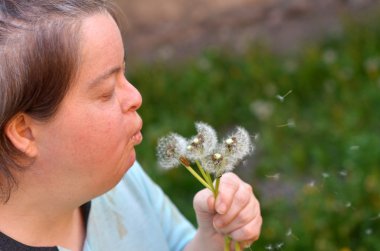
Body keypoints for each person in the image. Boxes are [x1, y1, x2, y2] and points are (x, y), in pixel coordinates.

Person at [0, 0, 262, 250]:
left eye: (124, 73)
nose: (136, 97)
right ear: (25, 132)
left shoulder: (117, 178)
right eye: (105, 92)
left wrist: (212, 241)